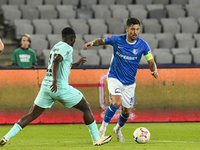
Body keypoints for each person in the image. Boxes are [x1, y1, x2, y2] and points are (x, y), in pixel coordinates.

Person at [0, 27, 112, 147]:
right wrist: (55, 80)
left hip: (46, 86)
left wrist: (75, 64)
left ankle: (6, 137)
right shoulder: (68, 47)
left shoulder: (56, 46)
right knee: (86, 107)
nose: (74, 42)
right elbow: (56, 61)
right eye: (74, 40)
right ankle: (96, 139)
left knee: (31, 114)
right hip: (59, 86)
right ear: (72, 39)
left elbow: (61, 64)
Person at [83, 17, 159, 142]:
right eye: (132, 29)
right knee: (116, 102)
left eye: (137, 29)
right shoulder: (117, 40)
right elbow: (101, 41)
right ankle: (101, 130)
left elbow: (150, 60)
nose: (135, 32)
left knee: (126, 112)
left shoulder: (143, 44)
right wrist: (92, 43)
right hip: (114, 77)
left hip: (129, 83)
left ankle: (117, 129)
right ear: (127, 29)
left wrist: (153, 70)